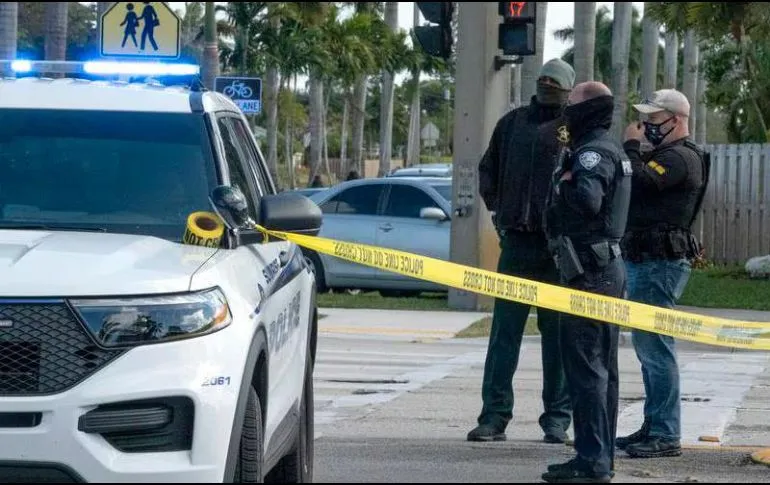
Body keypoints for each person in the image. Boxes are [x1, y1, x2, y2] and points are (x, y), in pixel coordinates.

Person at [470, 58, 576, 444]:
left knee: (558, 337)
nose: (548, 85)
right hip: (516, 243)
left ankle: (556, 420)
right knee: (504, 335)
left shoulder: (574, 129)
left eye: (556, 82)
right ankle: (494, 417)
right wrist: (500, 211)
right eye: (544, 80)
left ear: (568, 89)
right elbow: (488, 171)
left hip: (557, 250)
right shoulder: (512, 124)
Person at [541, 81, 632, 483]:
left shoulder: (592, 152)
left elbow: (588, 200)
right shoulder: (606, 148)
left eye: (572, 102)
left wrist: (563, 182)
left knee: (587, 368)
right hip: (602, 268)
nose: (566, 109)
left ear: (590, 108)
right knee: (601, 369)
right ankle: (597, 457)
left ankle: (592, 461)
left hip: (590, 274)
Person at [615, 89, 709, 459]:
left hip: (659, 262)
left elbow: (639, 181)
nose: (645, 127)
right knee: (647, 349)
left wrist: (631, 147)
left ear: (676, 119)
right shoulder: (666, 155)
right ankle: (654, 425)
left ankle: (666, 433)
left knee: (656, 349)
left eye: (653, 120)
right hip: (645, 258)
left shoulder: (680, 158)